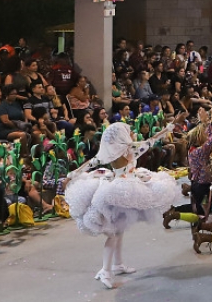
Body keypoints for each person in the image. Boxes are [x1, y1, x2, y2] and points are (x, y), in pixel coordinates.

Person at [63, 122, 179, 288]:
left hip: (123, 188)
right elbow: (151, 141)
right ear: (121, 137)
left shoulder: (110, 153)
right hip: (121, 191)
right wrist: (168, 129)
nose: (132, 133)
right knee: (114, 233)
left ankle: (117, 264)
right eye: (129, 131)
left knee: (120, 230)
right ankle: (106, 270)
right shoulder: (128, 150)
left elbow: (88, 164)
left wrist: (71, 175)